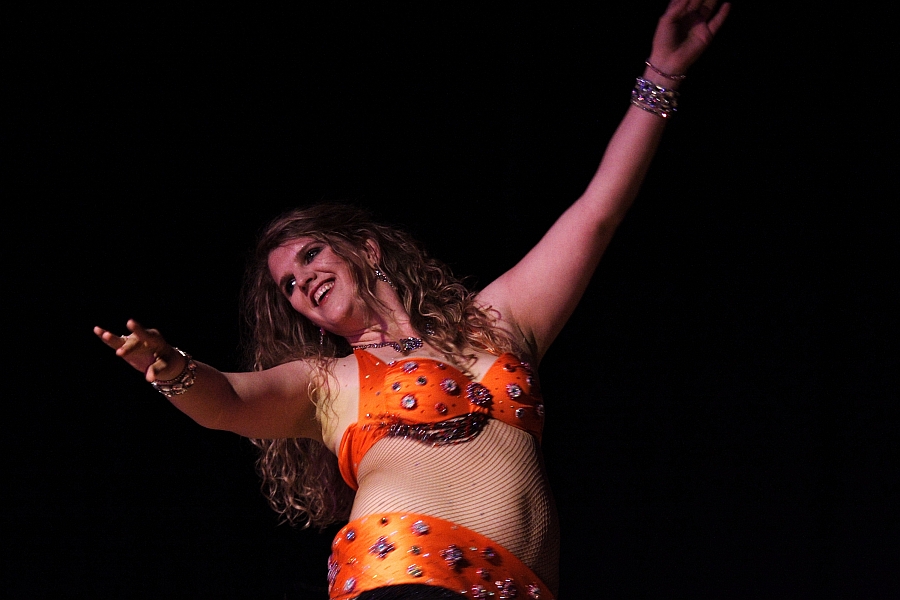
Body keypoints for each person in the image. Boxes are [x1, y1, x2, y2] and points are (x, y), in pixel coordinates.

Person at [94, 1, 729, 597]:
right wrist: (173, 370)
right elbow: (228, 402)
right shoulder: (327, 381)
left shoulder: (500, 323)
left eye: (311, 255)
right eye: (287, 285)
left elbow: (596, 215)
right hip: (404, 577)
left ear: (367, 249)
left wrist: (662, 76)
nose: (302, 281)